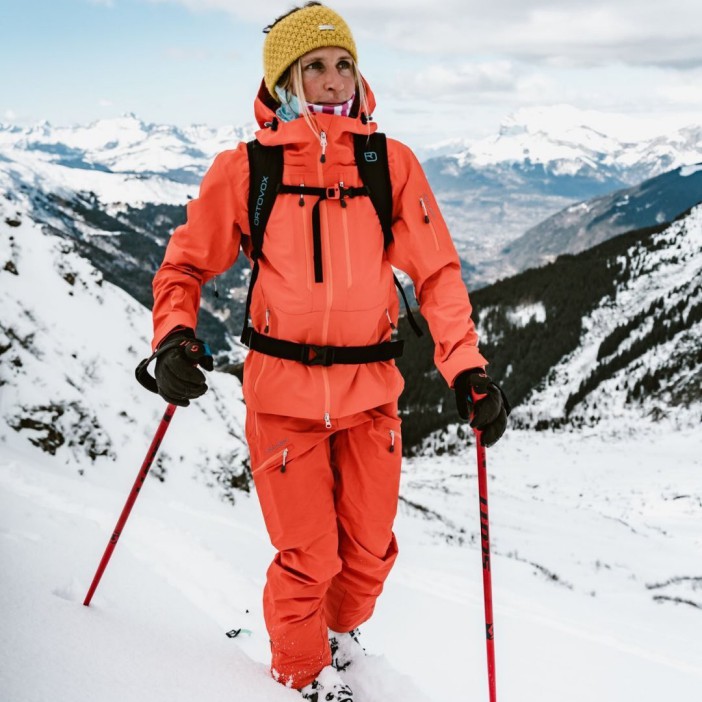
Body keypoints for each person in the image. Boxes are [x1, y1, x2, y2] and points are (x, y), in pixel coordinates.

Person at [149, 3, 509, 699]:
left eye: (343, 63)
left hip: (371, 395)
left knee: (369, 556)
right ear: (284, 79)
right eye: (313, 66)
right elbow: (184, 265)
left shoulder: (388, 165)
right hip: (281, 398)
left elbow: (436, 275)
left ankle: (336, 636)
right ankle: (303, 676)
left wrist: (467, 367)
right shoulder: (248, 169)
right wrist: (172, 336)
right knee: (309, 557)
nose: (333, 78)